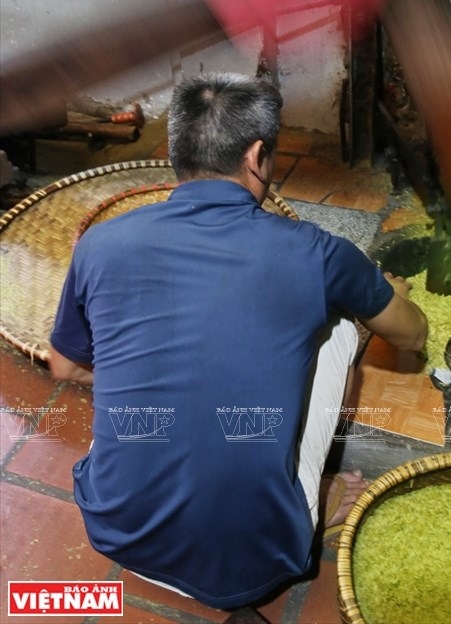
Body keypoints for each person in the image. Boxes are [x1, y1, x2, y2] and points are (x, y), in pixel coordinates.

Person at [49, 72, 428, 610]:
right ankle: (310, 499)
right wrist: (391, 294)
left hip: (119, 533)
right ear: (256, 156)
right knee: (342, 328)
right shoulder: (315, 252)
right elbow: (410, 333)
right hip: (255, 564)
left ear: (178, 152)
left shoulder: (101, 243)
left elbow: (64, 368)